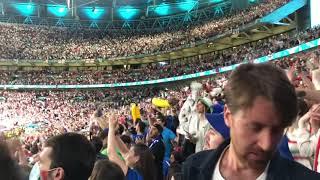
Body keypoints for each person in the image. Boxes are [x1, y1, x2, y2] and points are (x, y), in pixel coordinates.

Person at [182, 63, 320, 180]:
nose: (266, 144)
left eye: (277, 130)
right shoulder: (192, 168)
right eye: (255, 127)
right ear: (228, 116)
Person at [107, 114, 157, 180]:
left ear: (136, 158)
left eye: (130, 151)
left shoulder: (135, 176)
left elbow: (111, 153)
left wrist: (111, 128)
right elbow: (124, 151)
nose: (127, 152)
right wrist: (115, 132)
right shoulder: (141, 171)